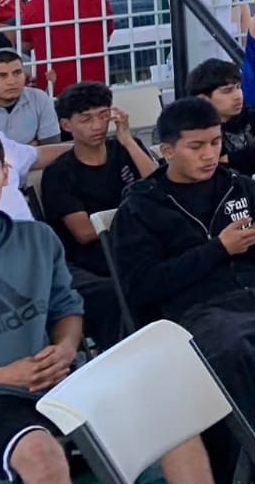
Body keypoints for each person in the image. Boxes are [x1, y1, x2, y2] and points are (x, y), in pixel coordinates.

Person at [0, 128, 214, 484]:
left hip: (54, 383)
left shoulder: (37, 239)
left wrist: (66, 348)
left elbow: (66, 308)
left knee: (168, 412)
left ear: (5, 174)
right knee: (41, 455)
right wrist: (5, 376)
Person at [110, 98, 255, 472]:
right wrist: (219, 249)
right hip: (201, 310)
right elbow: (141, 286)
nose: (209, 154)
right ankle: (241, 468)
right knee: (227, 350)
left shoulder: (240, 186)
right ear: (167, 151)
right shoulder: (141, 208)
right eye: (196, 146)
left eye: (215, 142)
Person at [40, 83, 158, 346]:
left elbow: (162, 189)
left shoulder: (127, 149)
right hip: (94, 259)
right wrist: (140, 214)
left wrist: (129, 142)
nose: (97, 126)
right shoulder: (59, 173)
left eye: (104, 115)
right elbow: (84, 232)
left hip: (141, 246)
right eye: (86, 119)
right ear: (66, 125)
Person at [16, 0, 113, 95]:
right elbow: (106, 37)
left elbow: (24, 44)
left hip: (52, 87)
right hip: (94, 87)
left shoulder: (36, 6)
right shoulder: (101, 5)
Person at [187, 58, 255, 176]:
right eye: (227, 91)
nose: (238, 96)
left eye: (238, 87)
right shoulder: (196, 130)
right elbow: (218, 169)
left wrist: (232, 158)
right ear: (203, 99)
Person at [0, 53, 60, 146]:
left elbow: (52, 147)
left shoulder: (39, 98)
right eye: (2, 76)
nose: (12, 82)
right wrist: (30, 147)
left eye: (17, 73)